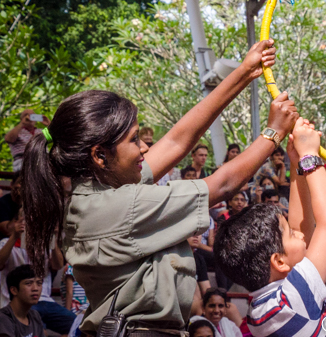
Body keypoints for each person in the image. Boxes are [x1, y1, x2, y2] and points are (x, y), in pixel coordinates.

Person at [21, 40, 289, 334]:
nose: (145, 147)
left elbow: (176, 142)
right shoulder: (119, 205)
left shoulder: (96, 193)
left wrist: (244, 72)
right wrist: (274, 132)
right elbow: (223, 185)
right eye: (134, 139)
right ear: (99, 155)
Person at [214, 118, 326, 336]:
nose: (300, 236)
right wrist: (310, 155)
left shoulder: (268, 306)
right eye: (292, 235)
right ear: (279, 261)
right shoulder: (290, 301)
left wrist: (296, 165)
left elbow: (301, 227)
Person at [0, 211, 75, 336]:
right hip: (19, 301)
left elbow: (57, 265)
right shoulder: (5, 243)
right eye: (25, 219)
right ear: (16, 222)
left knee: (79, 326)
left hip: (47, 301)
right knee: (40, 331)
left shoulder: (45, 245)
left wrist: (54, 238)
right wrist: (14, 236)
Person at [0, 265, 44, 337]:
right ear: (14, 290)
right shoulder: (3, 319)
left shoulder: (35, 316)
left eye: (39, 283)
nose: (35, 288)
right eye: (28, 283)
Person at [0, 175, 21, 239]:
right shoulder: (3, 203)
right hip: (6, 243)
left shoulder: (33, 203)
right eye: (20, 183)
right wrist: (21, 205)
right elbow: (8, 231)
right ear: (12, 185)